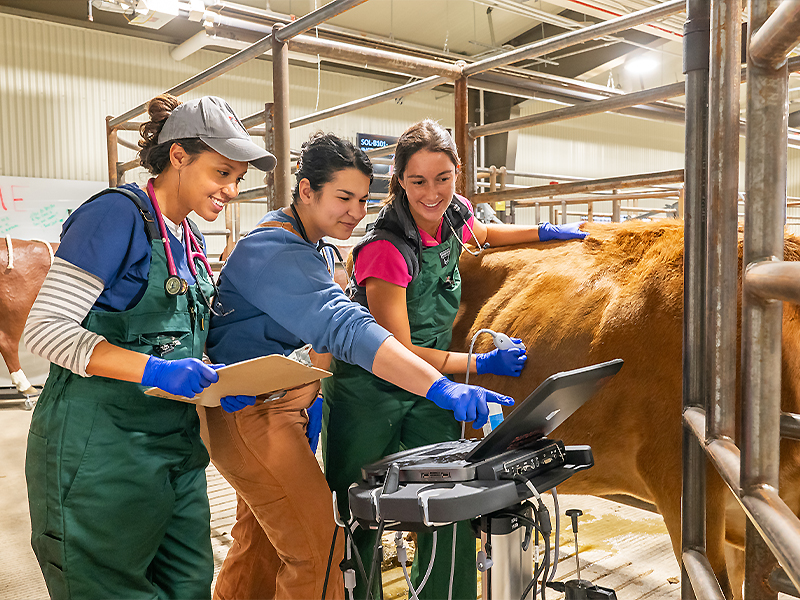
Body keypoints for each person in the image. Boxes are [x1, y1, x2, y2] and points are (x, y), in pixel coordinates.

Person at [201, 131, 514, 600]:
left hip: (283, 404)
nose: (355, 212)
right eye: (343, 197)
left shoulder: (310, 243)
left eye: (363, 199)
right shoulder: (274, 250)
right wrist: (441, 387)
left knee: (262, 544)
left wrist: (305, 390)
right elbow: (346, 327)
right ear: (306, 190)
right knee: (321, 550)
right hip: (252, 411)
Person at [321, 119, 588, 599]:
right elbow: (395, 352)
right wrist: (479, 366)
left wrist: (549, 233)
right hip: (371, 389)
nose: (432, 193)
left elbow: (485, 232)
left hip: (428, 389)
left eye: (443, 178)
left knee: (448, 503)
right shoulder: (385, 249)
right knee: (359, 515)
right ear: (399, 180)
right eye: (418, 181)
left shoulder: (455, 214)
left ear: (458, 173)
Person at [23, 94, 274, 600]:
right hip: (100, 456)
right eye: (221, 172)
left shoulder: (186, 236)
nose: (231, 189)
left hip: (174, 451)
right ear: (178, 156)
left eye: (238, 179)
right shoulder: (114, 215)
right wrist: (156, 373)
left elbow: (172, 336)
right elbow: (45, 330)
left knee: (187, 584)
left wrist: (213, 380)